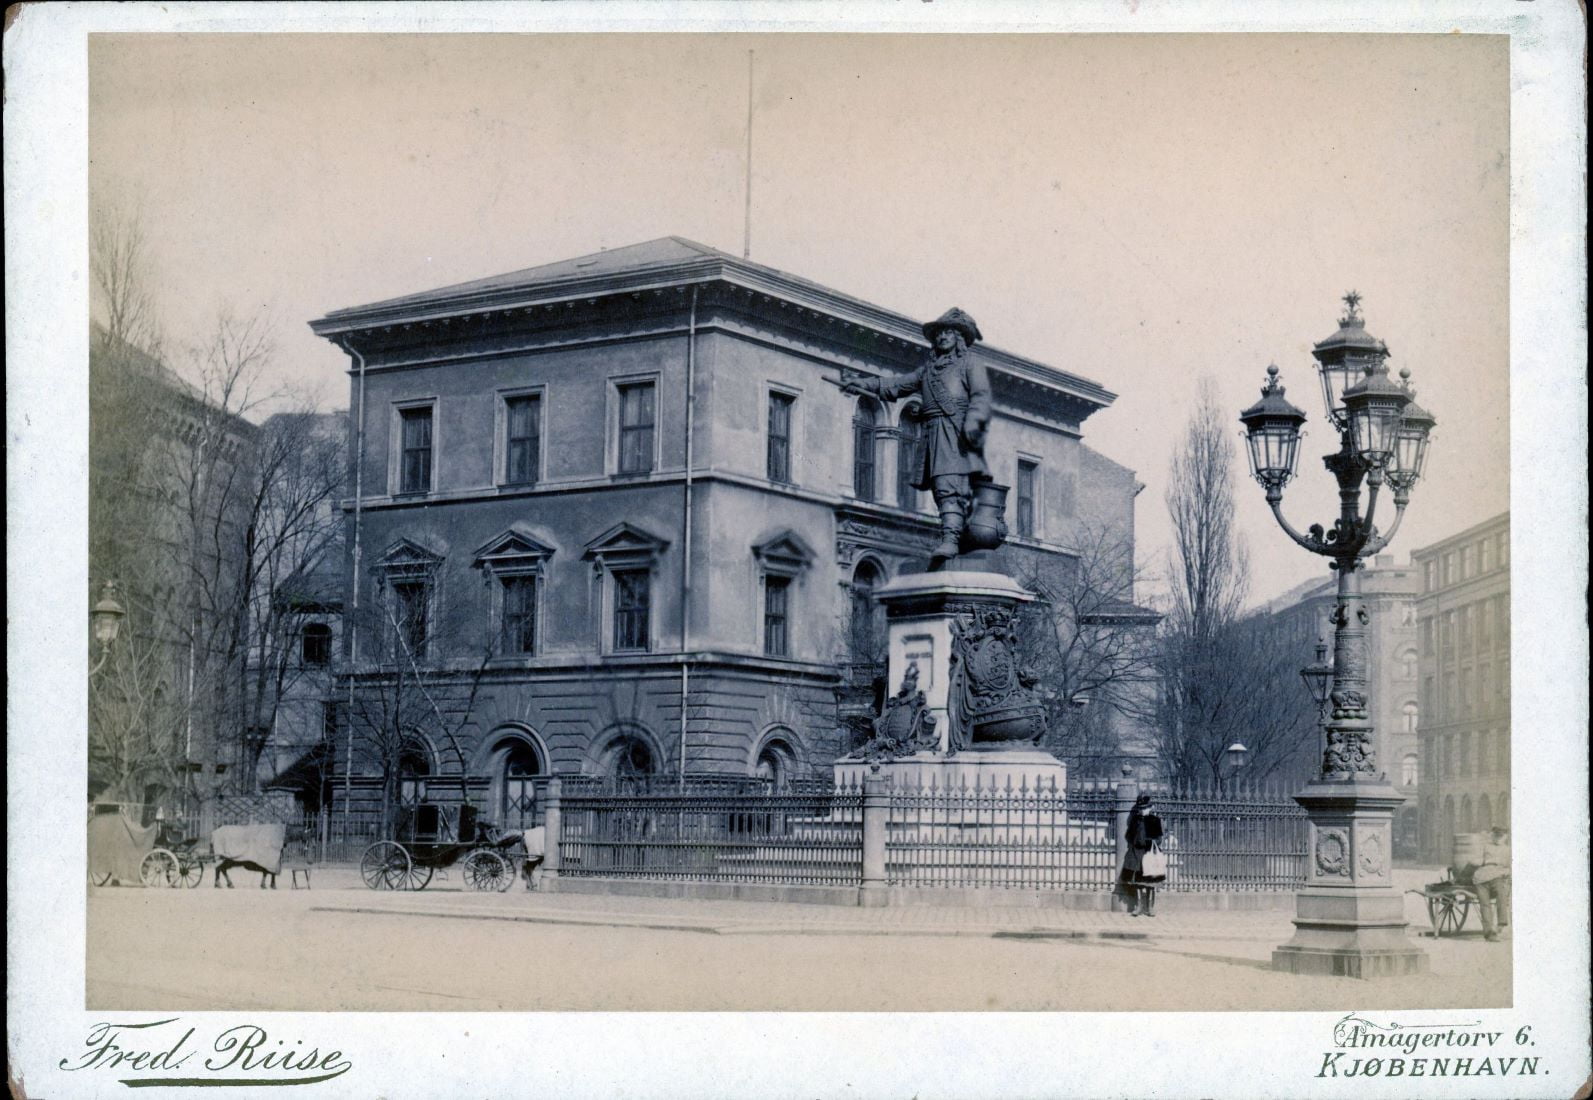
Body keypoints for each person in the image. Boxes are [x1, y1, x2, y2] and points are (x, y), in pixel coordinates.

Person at [842, 307, 992, 567]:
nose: (942, 337)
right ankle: (951, 534)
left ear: (960, 338)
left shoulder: (970, 364)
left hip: (955, 431)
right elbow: (898, 384)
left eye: (949, 332)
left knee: (949, 486)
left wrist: (972, 422)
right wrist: (863, 384)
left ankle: (951, 539)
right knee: (939, 486)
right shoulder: (928, 371)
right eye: (939, 333)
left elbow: (980, 396)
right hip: (932, 431)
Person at [1117, 793, 1165, 917]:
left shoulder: (1155, 820)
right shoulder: (1135, 821)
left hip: (1149, 854)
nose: (1142, 811)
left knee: (1150, 882)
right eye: (1140, 808)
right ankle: (1138, 906)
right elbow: (1128, 836)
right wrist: (1135, 842)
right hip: (1137, 854)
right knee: (1138, 882)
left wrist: (1149, 841)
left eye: (1145, 808)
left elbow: (1159, 839)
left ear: (1150, 808)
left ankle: (1150, 907)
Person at [1472, 825, 1511, 942]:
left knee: (1502, 895)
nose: (1498, 838)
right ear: (1492, 836)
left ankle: (1501, 923)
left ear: (1505, 837)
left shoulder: (1508, 850)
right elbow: (1473, 860)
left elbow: (1510, 867)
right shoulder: (1485, 846)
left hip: (1497, 877)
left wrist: (1506, 871)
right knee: (1485, 904)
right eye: (1496, 836)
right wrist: (1486, 861)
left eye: (1501, 836)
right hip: (1481, 878)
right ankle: (1489, 933)